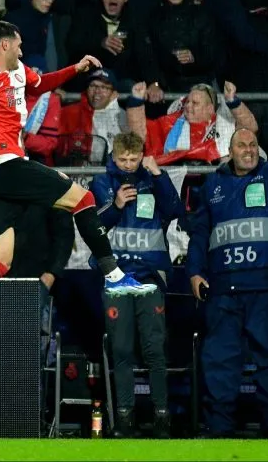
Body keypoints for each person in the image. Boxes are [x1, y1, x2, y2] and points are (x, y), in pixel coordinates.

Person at [0, 20, 150, 364]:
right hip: (3, 165)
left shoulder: (18, 73)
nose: (21, 51)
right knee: (84, 199)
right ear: (3, 46)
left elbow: (41, 83)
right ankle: (114, 274)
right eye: (17, 45)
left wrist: (76, 68)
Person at [186, 99, 268, 437]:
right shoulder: (212, 185)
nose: (249, 149)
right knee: (220, 363)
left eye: (253, 144)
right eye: (242, 145)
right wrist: (195, 270)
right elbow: (200, 233)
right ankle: (218, 433)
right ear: (230, 151)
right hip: (223, 290)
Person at [90, 132, 184, 438]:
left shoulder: (152, 180)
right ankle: (125, 419)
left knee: (154, 349)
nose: (129, 165)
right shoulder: (102, 183)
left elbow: (174, 211)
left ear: (141, 155)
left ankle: (161, 418)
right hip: (116, 277)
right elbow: (94, 227)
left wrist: (158, 174)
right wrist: (116, 204)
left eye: (134, 159)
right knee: (121, 349)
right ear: (113, 157)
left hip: (149, 277)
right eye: (123, 160)